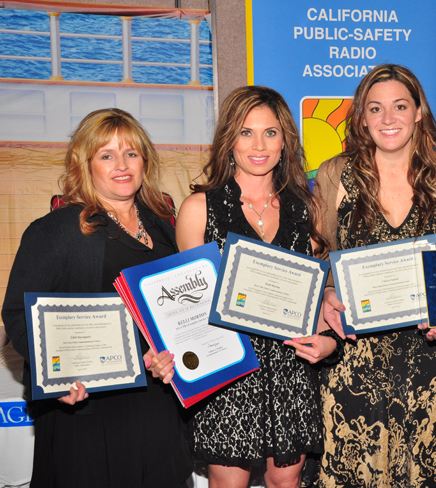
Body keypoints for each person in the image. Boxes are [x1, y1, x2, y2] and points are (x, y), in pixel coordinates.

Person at [1, 108, 193, 488]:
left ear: (145, 161)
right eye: (107, 155)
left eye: (131, 154)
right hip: (92, 411)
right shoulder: (55, 231)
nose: (121, 165)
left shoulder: (163, 223)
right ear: (85, 164)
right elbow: (19, 315)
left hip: (159, 403)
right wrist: (59, 377)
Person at [170, 85, 337, 488]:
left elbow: (318, 296)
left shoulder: (306, 209)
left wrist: (329, 340)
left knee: (287, 480)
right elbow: (186, 311)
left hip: (290, 368)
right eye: (246, 132)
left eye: (271, 132)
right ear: (229, 140)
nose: (259, 145)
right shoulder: (199, 209)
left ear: (286, 142)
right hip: (228, 369)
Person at [314, 63, 436, 487]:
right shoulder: (334, 175)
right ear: (362, 117)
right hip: (354, 357)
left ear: (419, 112)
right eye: (376, 108)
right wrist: (327, 291)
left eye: (400, 106)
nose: (388, 119)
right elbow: (321, 251)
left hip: (428, 357)